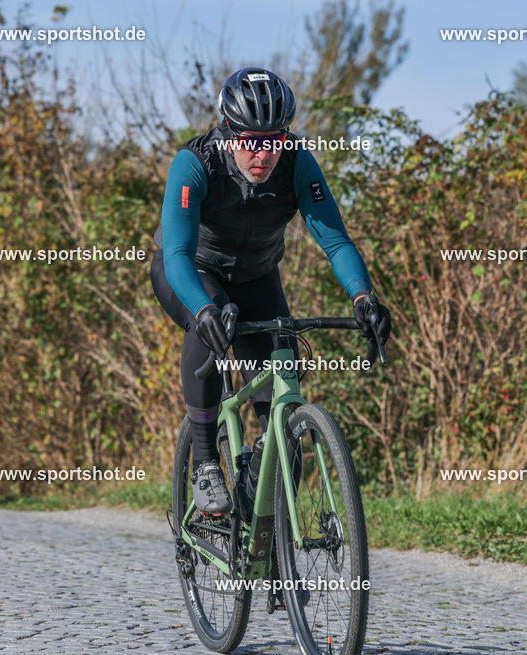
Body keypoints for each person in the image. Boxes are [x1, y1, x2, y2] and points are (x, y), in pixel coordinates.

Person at [151, 66, 391, 514]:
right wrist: (202, 308)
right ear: (228, 131)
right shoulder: (195, 163)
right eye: (250, 141)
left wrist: (363, 297)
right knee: (208, 327)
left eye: (275, 140)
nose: (262, 153)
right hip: (190, 270)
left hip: (259, 277)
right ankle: (204, 459)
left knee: (281, 417)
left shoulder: (298, 163)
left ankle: (275, 555)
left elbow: (335, 241)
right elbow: (179, 255)